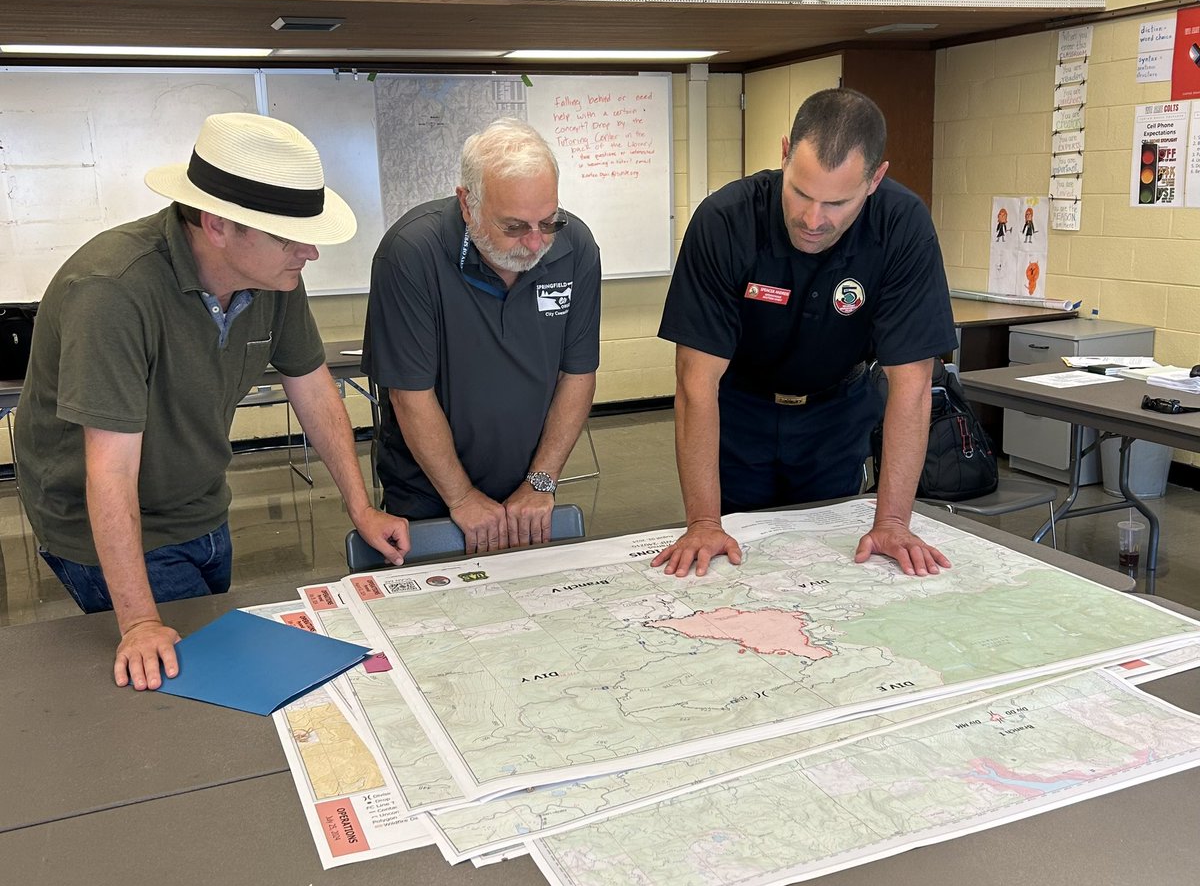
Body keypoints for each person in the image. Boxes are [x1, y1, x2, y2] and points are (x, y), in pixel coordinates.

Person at [15, 112, 411, 692]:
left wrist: (361, 506)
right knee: (200, 683)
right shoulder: (112, 290)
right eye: (287, 235)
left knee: (215, 670)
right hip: (105, 521)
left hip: (200, 503)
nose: (309, 252)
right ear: (218, 224)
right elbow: (111, 467)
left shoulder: (276, 280)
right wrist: (140, 621)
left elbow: (312, 385)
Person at [652, 88, 958, 578]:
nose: (813, 220)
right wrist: (704, 521)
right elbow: (695, 381)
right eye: (800, 192)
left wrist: (894, 521)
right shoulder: (725, 221)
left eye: (837, 202)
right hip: (738, 411)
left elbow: (912, 382)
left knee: (825, 560)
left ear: (875, 179)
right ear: (784, 155)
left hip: (835, 414)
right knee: (730, 559)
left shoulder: (902, 225)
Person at [362, 118, 600, 553]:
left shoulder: (575, 247)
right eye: (513, 227)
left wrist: (541, 482)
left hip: (530, 491)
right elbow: (410, 395)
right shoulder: (412, 253)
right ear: (468, 204)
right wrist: (461, 496)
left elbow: (577, 374)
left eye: (547, 221)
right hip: (430, 495)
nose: (534, 243)